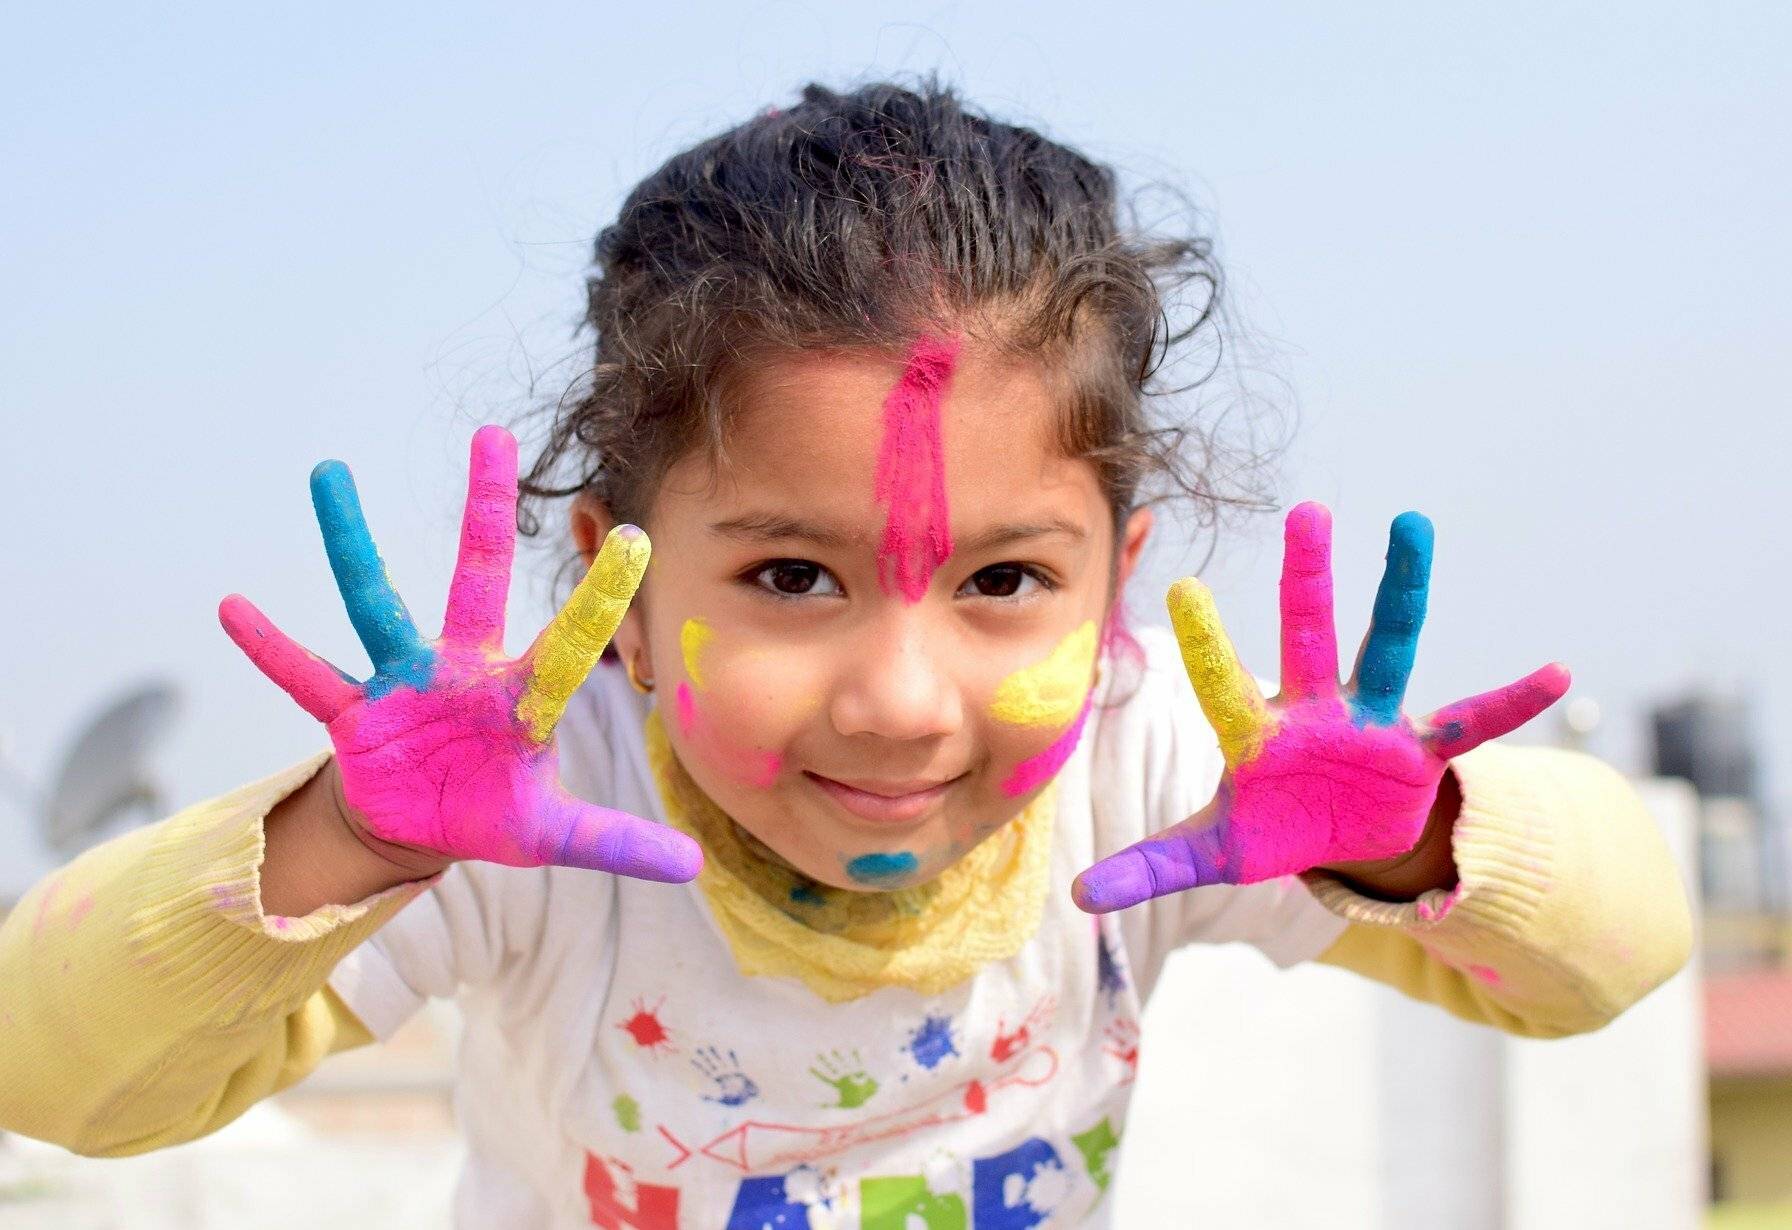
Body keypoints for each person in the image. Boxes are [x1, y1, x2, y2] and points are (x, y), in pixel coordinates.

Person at [0, 77, 1690, 1228]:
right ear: (625, 595)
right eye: (794, 575)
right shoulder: (528, 804)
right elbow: (52, 1077)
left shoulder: (1159, 771)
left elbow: (1617, 953)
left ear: (1114, 591)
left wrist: (1411, 840)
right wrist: (351, 842)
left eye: (1008, 579)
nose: (899, 700)